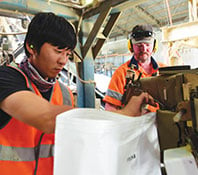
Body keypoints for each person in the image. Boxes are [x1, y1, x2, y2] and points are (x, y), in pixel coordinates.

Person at [0, 13, 155, 175]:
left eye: (68, 54)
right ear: (31, 47)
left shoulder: (64, 93)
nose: (63, 60)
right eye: (58, 51)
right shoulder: (5, 79)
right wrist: (124, 115)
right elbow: (47, 118)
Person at [103, 24, 166, 111]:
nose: (144, 49)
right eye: (139, 45)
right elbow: (110, 108)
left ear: (154, 45)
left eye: (147, 44)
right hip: (134, 122)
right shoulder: (122, 73)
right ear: (131, 46)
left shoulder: (164, 71)